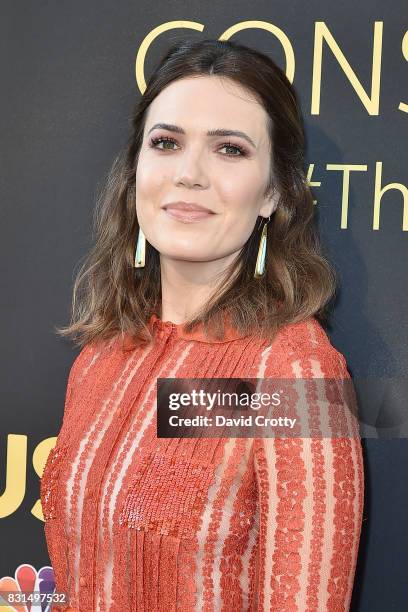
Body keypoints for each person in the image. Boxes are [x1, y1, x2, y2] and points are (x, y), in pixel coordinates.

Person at [40, 38, 364, 611]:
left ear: (272, 194)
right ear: (136, 169)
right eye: (165, 143)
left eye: (230, 150)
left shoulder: (291, 373)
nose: (188, 174)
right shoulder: (101, 356)